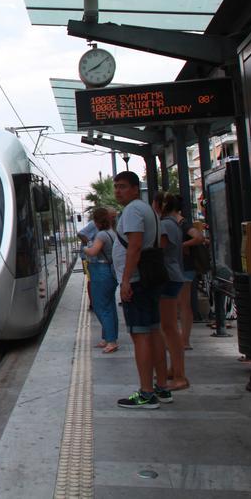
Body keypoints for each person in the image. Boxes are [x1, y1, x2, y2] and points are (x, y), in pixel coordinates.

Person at [112, 171, 168, 409]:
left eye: (123, 186)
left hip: (137, 282)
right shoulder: (148, 210)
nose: (118, 191)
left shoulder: (133, 210)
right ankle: (162, 388)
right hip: (148, 280)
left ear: (136, 188)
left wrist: (125, 281)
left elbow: (134, 247)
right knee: (154, 332)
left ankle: (146, 393)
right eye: (116, 187)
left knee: (140, 335)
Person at [154, 192, 189, 391]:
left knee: (169, 328)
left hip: (168, 277)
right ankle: (173, 369)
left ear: (161, 205)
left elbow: (159, 249)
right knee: (168, 327)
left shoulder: (166, 225)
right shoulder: (172, 223)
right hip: (172, 276)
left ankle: (180, 376)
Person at [83, 207, 118, 353]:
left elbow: (93, 252)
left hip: (101, 272)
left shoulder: (102, 235)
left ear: (97, 222)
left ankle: (111, 341)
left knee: (100, 306)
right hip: (109, 271)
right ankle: (108, 338)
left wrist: (85, 247)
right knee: (109, 306)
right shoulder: (112, 233)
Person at [178, 210, 206, 347]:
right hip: (186, 267)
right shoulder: (181, 223)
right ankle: (184, 340)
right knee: (184, 304)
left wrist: (181, 246)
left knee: (180, 304)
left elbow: (199, 237)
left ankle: (184, 340)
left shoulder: (181, 223)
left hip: (181, 267)